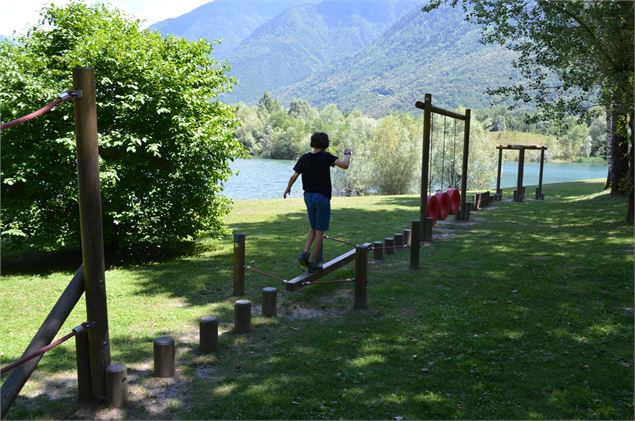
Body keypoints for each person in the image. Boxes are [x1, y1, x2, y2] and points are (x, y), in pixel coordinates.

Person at [283, 132, 351, 272]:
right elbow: (345, 165)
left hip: (308, 196)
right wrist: (348, 153)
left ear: (312, 143)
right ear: (325, 144)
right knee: (320, 230)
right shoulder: (326, 157)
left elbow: (294, 175)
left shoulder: (304, 158)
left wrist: (288, 188)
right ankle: (313, 262)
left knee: (313, 227)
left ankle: (305, 253)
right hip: (322, 198)